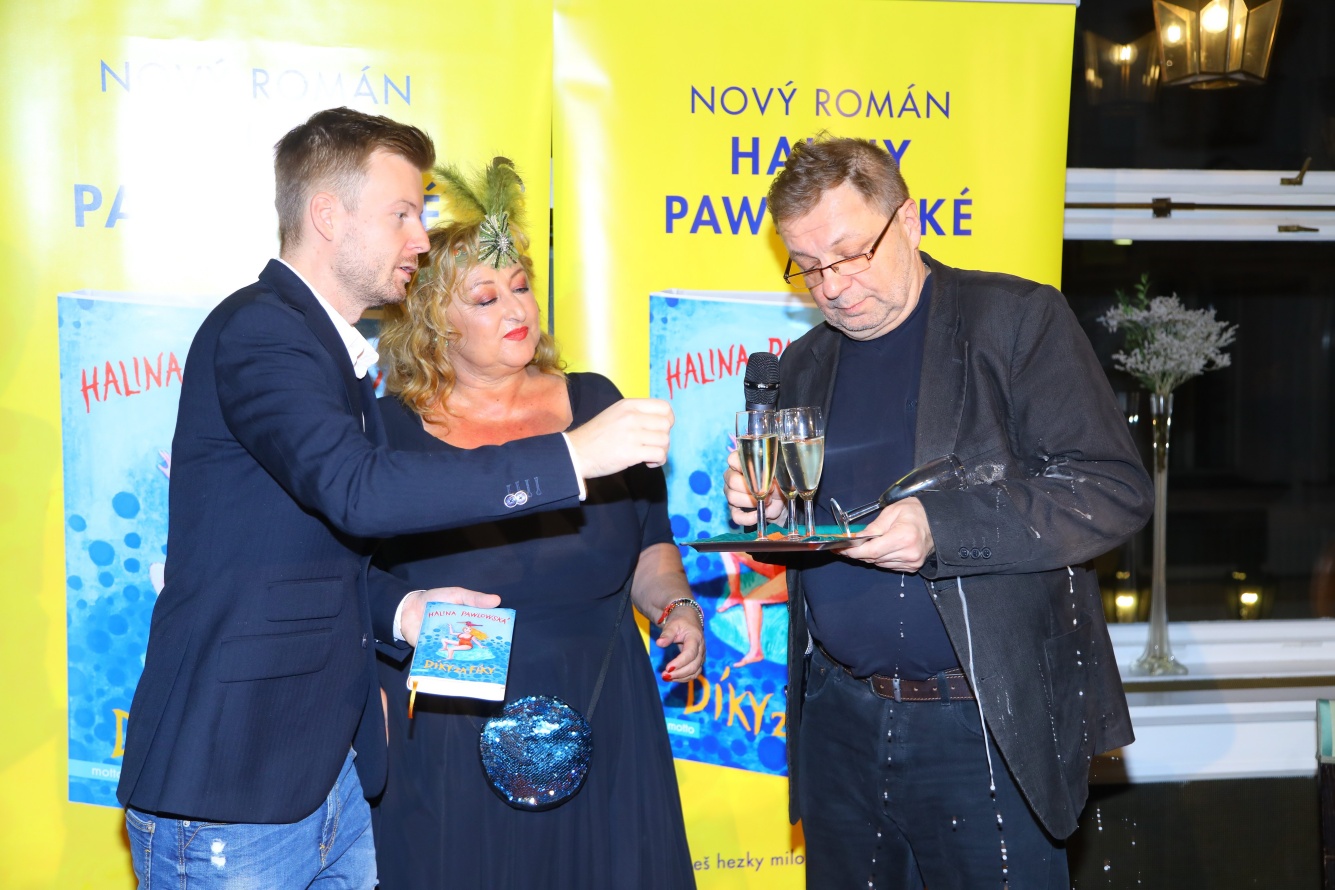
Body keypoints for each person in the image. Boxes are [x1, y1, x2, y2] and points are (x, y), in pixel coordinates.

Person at [116, 108, 674, 890]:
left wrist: (403, 611)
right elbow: (357, 491)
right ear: (328, 216)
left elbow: (312, 550)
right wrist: (571, 455)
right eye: (402, 214)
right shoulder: (263, 331)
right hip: (237, 783)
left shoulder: (329, 355)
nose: (419, 237)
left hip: (329, 785)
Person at [723, 134, 1153, 890]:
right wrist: (766, 511)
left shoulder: (1014, 321)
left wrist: (941, 529)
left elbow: (1111, 490)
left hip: (982, 723)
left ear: (910, 220)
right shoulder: (803, 364)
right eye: (809, 266)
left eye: (850, 254)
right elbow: (800, 535)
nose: (833, 286)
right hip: (838, 721)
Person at [371, 158, 702, 890]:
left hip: (602, 698)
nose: (514, 308)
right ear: (433, 321)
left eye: (520, 287)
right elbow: (358, 582)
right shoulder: (388, 433)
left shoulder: (596, 403)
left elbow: (648, 543)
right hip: (453, 720)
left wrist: (676, 605)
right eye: (485, 297)